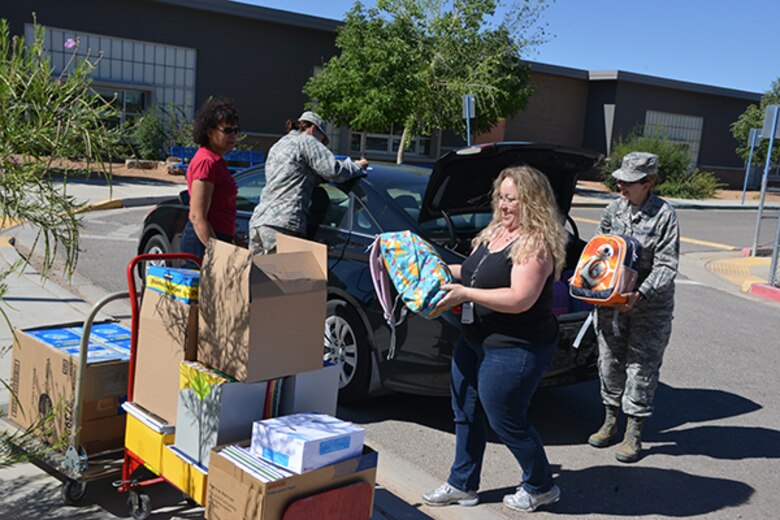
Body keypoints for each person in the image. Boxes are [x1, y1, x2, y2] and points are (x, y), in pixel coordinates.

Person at [422, 165, 566, 513]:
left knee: (507, 420)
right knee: (465, 411)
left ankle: (541, 486)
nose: (503, 205)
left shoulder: (535, 244)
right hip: (474, 339)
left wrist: (465, 294)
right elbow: (473, 271)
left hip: (516, 346)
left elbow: (520, 299)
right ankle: (462, 484)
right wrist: (428, 264)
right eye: (501, 196)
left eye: (512, 199)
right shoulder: (495, 232)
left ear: (532, 202)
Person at [587, 151, 680, 463]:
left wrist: (638, 294)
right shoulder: (613, 210)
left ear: (648, 183)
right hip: (612, 305)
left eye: (628, 182)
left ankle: (634, 432)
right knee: (609, 363)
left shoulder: (665, 215)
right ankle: (610, 421)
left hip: (648, 308)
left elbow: (666, 266)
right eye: (619, 181)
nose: (620, 187)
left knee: (641, 368)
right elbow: (600, 253)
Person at [249, 111, 368, 254]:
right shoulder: (306, 141)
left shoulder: (279, 144)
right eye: (322, 140)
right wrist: (357, 166)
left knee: (260, 275)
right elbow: (334, 171)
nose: (322, 145)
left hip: (259, 222)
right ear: (313, 129)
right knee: (281, 274)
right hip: (284, 224)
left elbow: (295, 175)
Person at [180, 97, 240, 259]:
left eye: (236, 130)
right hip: (203, 242)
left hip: (218, 239)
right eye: (227, 130)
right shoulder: (206, 162)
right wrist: (217, 254)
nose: (233, 135)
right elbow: (197, 217)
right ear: (209, 131)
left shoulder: (217, 161)